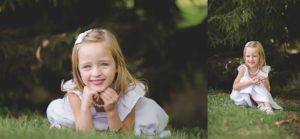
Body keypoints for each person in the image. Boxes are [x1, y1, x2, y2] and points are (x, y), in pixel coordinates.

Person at [46, 29, 170, 137]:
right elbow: (84, 135)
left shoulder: (128, 93)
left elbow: (124, 136)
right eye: (87, 66)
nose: (96, 73)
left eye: (104, 64)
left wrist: (112, 111)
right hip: (85, 120)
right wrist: (85, 107)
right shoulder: (75, 94)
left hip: (120, 124)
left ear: (117, 65)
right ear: (78, 70)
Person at [230, 41, 283, 114]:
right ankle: (262, 104)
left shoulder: (263, 70)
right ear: (244, 56)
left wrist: (264, 82)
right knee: (249, 81)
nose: (251, 59)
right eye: (248, 56)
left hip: (257, 96)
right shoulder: (243, 69)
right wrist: (250, 82)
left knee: (258, 83)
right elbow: (235, 86)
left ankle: (265, 105)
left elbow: (268, 89)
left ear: (260, 57)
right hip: (242, 96)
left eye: (254, 56)